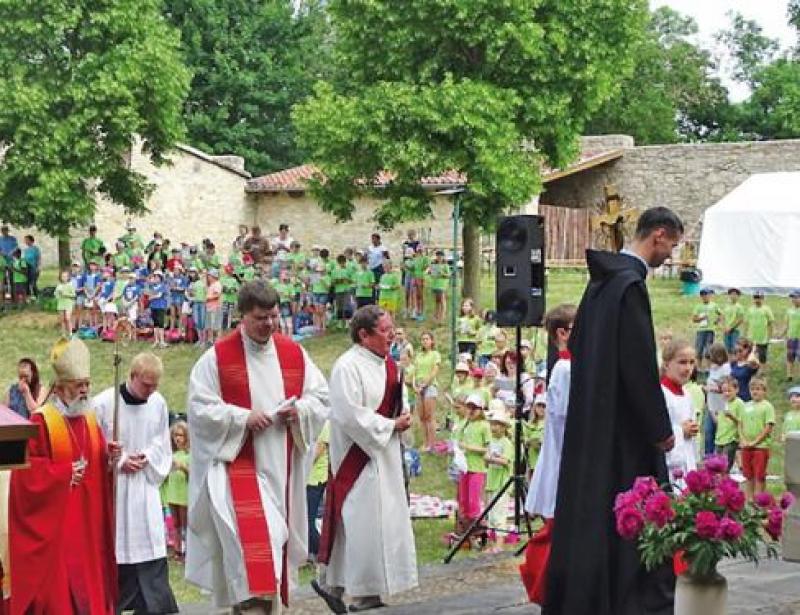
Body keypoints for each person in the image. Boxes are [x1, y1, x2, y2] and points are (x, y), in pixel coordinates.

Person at [546, 207, 682, 615]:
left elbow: (582, 348)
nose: (670, 256)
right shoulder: (629, 286)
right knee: (633, 515)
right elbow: (638, 366)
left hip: (594, 422)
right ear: (657, 235)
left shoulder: (601, 283)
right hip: (624, 433)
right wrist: (660, 428)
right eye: (672, 246)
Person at [186, 281, 329, 613]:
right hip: (238, 465)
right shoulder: (217, 359)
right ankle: (251, 607)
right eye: (260, 318)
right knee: (259, 541)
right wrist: (241, 418)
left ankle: (262, 607)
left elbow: (320, 396)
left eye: (273, 316)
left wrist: (301, 411)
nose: (268, 324)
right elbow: (199, 408)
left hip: (281, 464)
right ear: (242, 317)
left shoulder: (293, 353)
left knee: (274, 542)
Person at [313, 305, 417, 614]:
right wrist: (389, 426)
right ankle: (351, 591)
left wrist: (403, 417)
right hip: (356, 459)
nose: (392, 336)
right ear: (364, 334)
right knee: (359, 524)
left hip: (384, 456)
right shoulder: (348, 366)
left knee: (382, 522)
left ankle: (365, 590)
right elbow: (349, 415)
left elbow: (398, 401)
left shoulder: (391, 365)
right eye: (385, 331)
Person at [9, 337, 121, 614]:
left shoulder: (91, 419)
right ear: (59, 388)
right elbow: (24, 474)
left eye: (87, 384)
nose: (84, 391)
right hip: (60, 524)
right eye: (78, 385)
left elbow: (96, 465)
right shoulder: (42, 420)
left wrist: (110, 458)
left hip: (89, 522)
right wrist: (61, 476)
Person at [94, 353, 178, 614]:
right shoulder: (105, 404)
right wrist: (118, 461)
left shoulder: (158, 403)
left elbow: (162, 442)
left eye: (155, 385)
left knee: (150, 548)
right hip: (117, 489)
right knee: (118, 548)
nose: (151, 391)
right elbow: (95, 446)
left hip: (145, 487)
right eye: (146, 385)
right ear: (131, 377)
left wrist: (148, 456)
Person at [520, 304, 575, 605]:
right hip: (565, 459)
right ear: (563, 333)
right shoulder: (565, 369)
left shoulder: (571, 366)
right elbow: (569, 416)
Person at [660, 340, 699, 482]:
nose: (688, 368)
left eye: (691, 362)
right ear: (666, 364)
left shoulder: (687, 395)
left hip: (687, 462)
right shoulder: (661, 394)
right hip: (670, 468)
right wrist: (680, 431)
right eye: (682, 362)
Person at [738, 377, 775, 499]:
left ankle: (759, 501)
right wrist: (743, 439)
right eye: (752, 389)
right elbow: (740, 424)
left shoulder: (767, 406)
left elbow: (768, 426)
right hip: (746, 446)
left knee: (759, 475)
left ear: (764, 391)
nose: (755, 392)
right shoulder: (745, 406)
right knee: (748, 475)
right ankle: (749, 500)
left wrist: (755, 441)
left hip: (760, 447)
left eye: (758, 389)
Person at [485, 402, 513, 551]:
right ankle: (491, 543)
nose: (494, 427)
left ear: (503, 427)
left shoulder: (506, 443)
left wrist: (492, 458)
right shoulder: (491, 442)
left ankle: (500, 543)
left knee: (499, 512)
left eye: (497, 425)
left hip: (502, 482)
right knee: (490, 513)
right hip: (491, 480)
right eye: (492, 424)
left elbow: (506, 461)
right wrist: (487, 458)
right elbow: (486, 459)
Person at [164, 421, 190, 560]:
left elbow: (193, 475)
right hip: (172, 493)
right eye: (175, 435)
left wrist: (183, 467)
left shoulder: (189, 454)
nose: (177, 438)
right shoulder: (171, 454)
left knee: (185, 523)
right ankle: (177, 549)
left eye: (180, 435)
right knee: (175, 524)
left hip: (184, 494)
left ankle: (187, 551)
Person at [413, 331, 441, 452]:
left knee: (429, 416)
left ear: (432, 341)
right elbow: (414, 372)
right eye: (423, 339)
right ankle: (425, 443)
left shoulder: (435, 354)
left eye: (427, 339)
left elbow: (435, 371)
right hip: (418, 386)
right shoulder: (418, 355)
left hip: (429, 386)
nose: (424, 341)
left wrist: (425, 384)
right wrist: (415, 385)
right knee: (422, 417)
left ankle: (432, 444)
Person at [306, 420, 330, 562]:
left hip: (316, 479)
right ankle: (314, 553)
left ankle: (320, 552)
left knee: (308, 519)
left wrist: (302, 463)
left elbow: (318, 450)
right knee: (307, 519)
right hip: (309, 478)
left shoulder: (325, 424)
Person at [704, 344, 731, 456]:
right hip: (711, 405)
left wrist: (711, 388)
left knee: (720, 434)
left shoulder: (725, 368)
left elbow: (726, 386)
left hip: (721, 405)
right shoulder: (713, 368)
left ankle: (722, 458)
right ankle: (708, 458)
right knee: (708, 433)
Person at [715, 377, 744, 471]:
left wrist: (732, 417)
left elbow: (742, 422)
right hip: (719, 439)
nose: (726, 393)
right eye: (724, 391)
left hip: (731, 439)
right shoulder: (721, 403)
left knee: (725, 466)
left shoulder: (739, 403)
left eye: (729, 391)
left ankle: (725, 482)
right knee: (717, 467)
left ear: (736, 390)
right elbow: (718, 420)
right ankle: (720, 484)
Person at [745, 292, 774, 364]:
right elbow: (747, 323)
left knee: (762, 356)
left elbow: (770, 323)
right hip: (751, 336)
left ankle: (762, 371)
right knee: (751, 354)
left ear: (763, 299)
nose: (757, 300)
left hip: (763, 337)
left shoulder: (766, 309)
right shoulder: (750, 309)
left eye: (759, 298)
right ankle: (752, 370)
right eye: (755, 298)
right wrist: (745, 334)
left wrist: (770, 336)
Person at [428, 250, 450, 323]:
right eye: (437, 256)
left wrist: (442, 273)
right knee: (437, 301)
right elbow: (431, 274)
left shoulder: (445, 265)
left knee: (442, 300)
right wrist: (431, 272)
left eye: (440, 256)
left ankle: (442, 316)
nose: (439, 257)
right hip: (435, 284)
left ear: (443, 257)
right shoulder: (434, 265)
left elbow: (448, 275)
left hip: (442, 285)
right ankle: (437, 315)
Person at [783, 290, 800, 381]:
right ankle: (789, 376)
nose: (794, 299)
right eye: (792, 297)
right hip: (791, 338)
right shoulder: (789, 311)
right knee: (790, 356)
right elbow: (787, 324)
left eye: (796, 297)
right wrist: (782, 334)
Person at [722, 288, 745, 353]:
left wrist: (731, 327)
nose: (733, 296)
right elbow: (723, 317)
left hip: (735, 330)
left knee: (735, 349)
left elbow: (740, 319)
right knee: (727, 349)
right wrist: (724, 327)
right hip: (726, 330)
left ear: (738, 296)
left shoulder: (739, 307)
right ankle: (729, 362)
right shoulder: (727, 306)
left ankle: (735, 362)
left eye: (735, 294)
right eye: (731, 294)